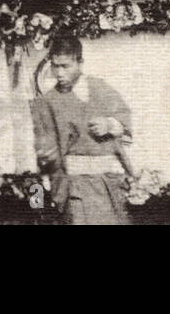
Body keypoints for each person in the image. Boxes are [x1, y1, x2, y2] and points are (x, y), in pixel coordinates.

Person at [31, 35, 134, 225]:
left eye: (66, 66)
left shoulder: (101, 89)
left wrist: (110, 124)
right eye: (55, 66)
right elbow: (46, 153)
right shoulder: (47, 102)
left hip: (111, 184)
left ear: (80, 63)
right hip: (75, 188)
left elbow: (126, 122)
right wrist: (56, 196)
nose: (59, 73)